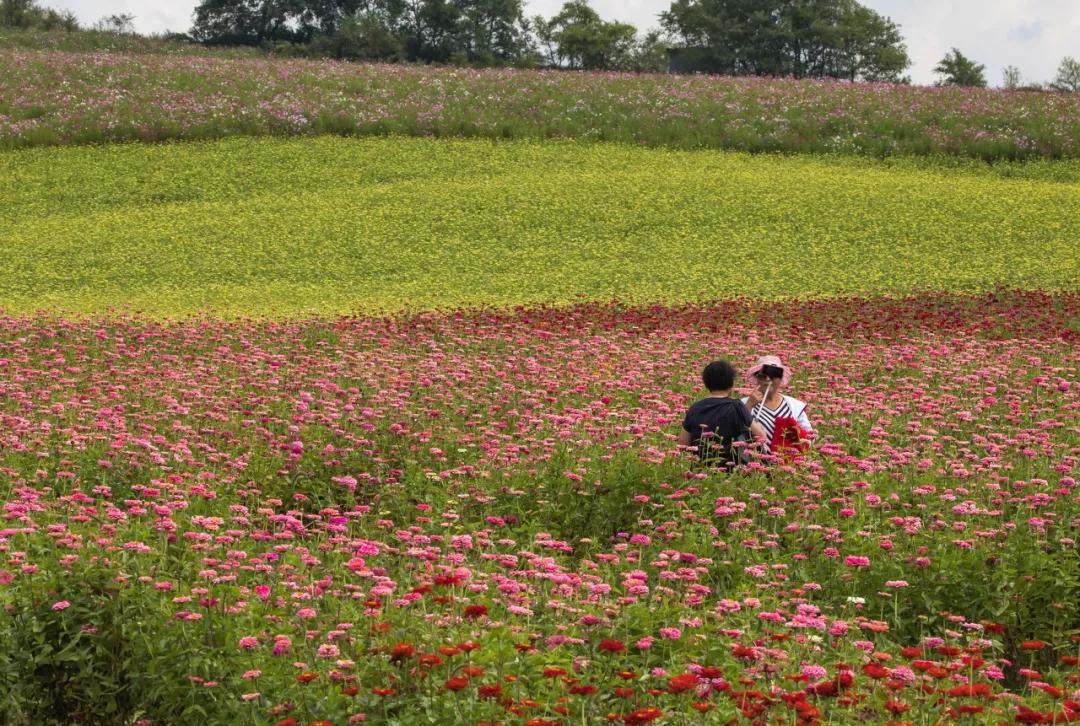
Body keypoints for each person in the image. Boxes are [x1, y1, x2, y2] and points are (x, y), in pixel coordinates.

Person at [680, 360, 767, 466]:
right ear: (732, 383)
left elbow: (683, 443)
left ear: (706, 383)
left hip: (700, 468)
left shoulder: (695, 408)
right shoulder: (736, 406)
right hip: (731, 470)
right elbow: (761, 436)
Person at [742, 355, 813, 454]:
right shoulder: (744, 403)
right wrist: (748, 406)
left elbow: (809, 434)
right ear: (757, 378)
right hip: (756, 462)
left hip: (789, 461)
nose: (767, 379)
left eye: (773, 375)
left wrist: (803, 442)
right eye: (763, 375)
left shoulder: (794, 406)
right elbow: (736, 431)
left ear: (780, 378)